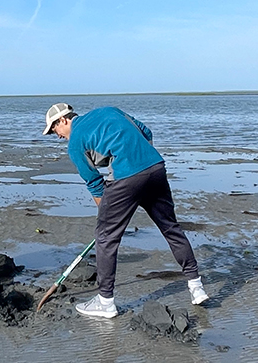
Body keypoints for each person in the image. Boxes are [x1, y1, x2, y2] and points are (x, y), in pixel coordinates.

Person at [43, 102, 208, 319]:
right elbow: (146, 132)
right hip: (156, 168)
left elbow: (94, 182)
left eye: (54, 129)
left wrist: (107, 215)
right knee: (170, 228)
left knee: (105, 238)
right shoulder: (109, 110)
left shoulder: (75, 143)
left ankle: (105, 302)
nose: (57, 135)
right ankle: (196, 287)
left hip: (127, 178)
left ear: (63, 120)